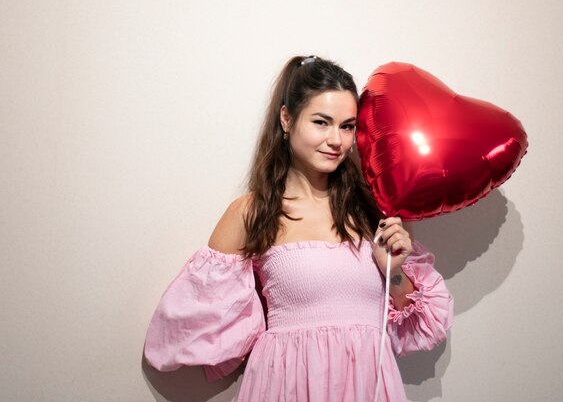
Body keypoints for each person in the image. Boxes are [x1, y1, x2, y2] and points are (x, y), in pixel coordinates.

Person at [143, 55, 454, 402]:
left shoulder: (375, 210)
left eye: (347, 126)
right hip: (285, 383)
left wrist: (393, 273)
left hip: (368, 384)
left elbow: (422, 328)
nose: (336, 140)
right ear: (287, 119)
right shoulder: (253, 212)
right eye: (322, 122)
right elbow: (193, 321)